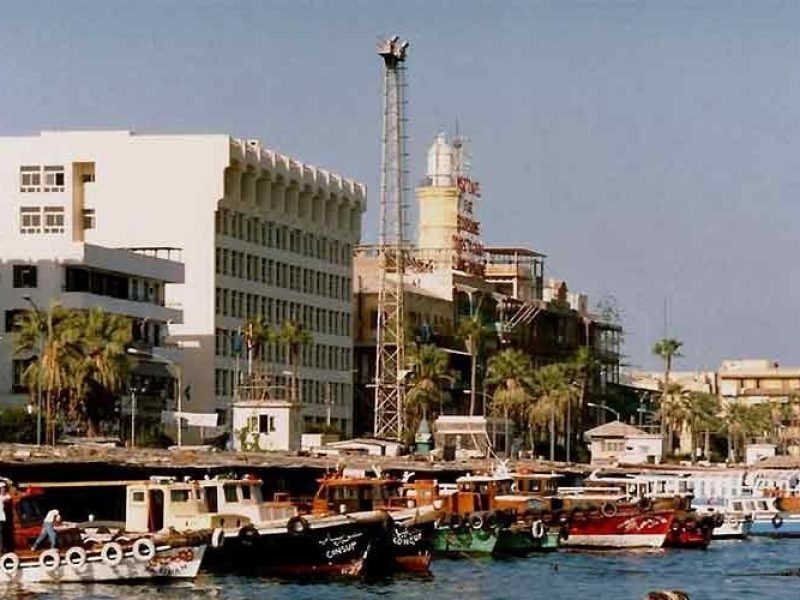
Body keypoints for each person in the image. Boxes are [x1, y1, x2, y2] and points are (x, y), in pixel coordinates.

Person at [0, 483, 11, 552]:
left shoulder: (7, 496)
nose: (3, 489)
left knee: (3, 534)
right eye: (2, 488)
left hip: (3, 518)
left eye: (4, 488)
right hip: (1, 518)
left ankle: (2, 548)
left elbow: (8, 499)